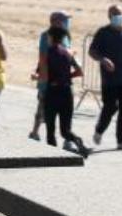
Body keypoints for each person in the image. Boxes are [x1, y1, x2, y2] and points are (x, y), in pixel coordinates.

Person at [88, 4, 122, 151]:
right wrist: (102, 59)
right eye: (115, 15)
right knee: (111, 107)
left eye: (120, 15)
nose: (118, 18)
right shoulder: (102, 33)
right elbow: (92, 51)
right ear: (110, 17)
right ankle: (99, 130)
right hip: (110, 80)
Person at [38, 25, 89, 155]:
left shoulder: (46, 53)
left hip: (52, 93)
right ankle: (78, 141)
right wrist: (66, 76)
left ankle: (53, 156)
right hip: (67, 93)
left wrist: (35, 77)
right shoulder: (68, 52)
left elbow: (43, 76)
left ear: (50, 37)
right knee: (65, 131)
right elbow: (80, 72)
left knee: (50, 130)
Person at [29, 10, 71, 141]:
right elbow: (43, 58)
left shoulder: (65, 36)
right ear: (55, 21)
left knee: (62, 110)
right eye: (64, 20)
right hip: (48, 78)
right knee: (42, 104)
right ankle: (35, 132)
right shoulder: (45, 36)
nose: (66, 23)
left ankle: (65, 138)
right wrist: (40, 76)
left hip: (62, 78)